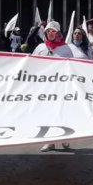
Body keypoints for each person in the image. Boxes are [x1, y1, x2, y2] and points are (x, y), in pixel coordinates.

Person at [33, 21, 73, 153]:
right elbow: (32, 64)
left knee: (61, 111)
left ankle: (64, 137)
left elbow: (72, 67)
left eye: (53, 31)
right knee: (46, 113)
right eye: (48, 31)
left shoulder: (66, 49)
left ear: (58, 33)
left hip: (60, 87)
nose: (51, 33)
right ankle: (49, 141)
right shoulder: (40, 47)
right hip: (44, 87)